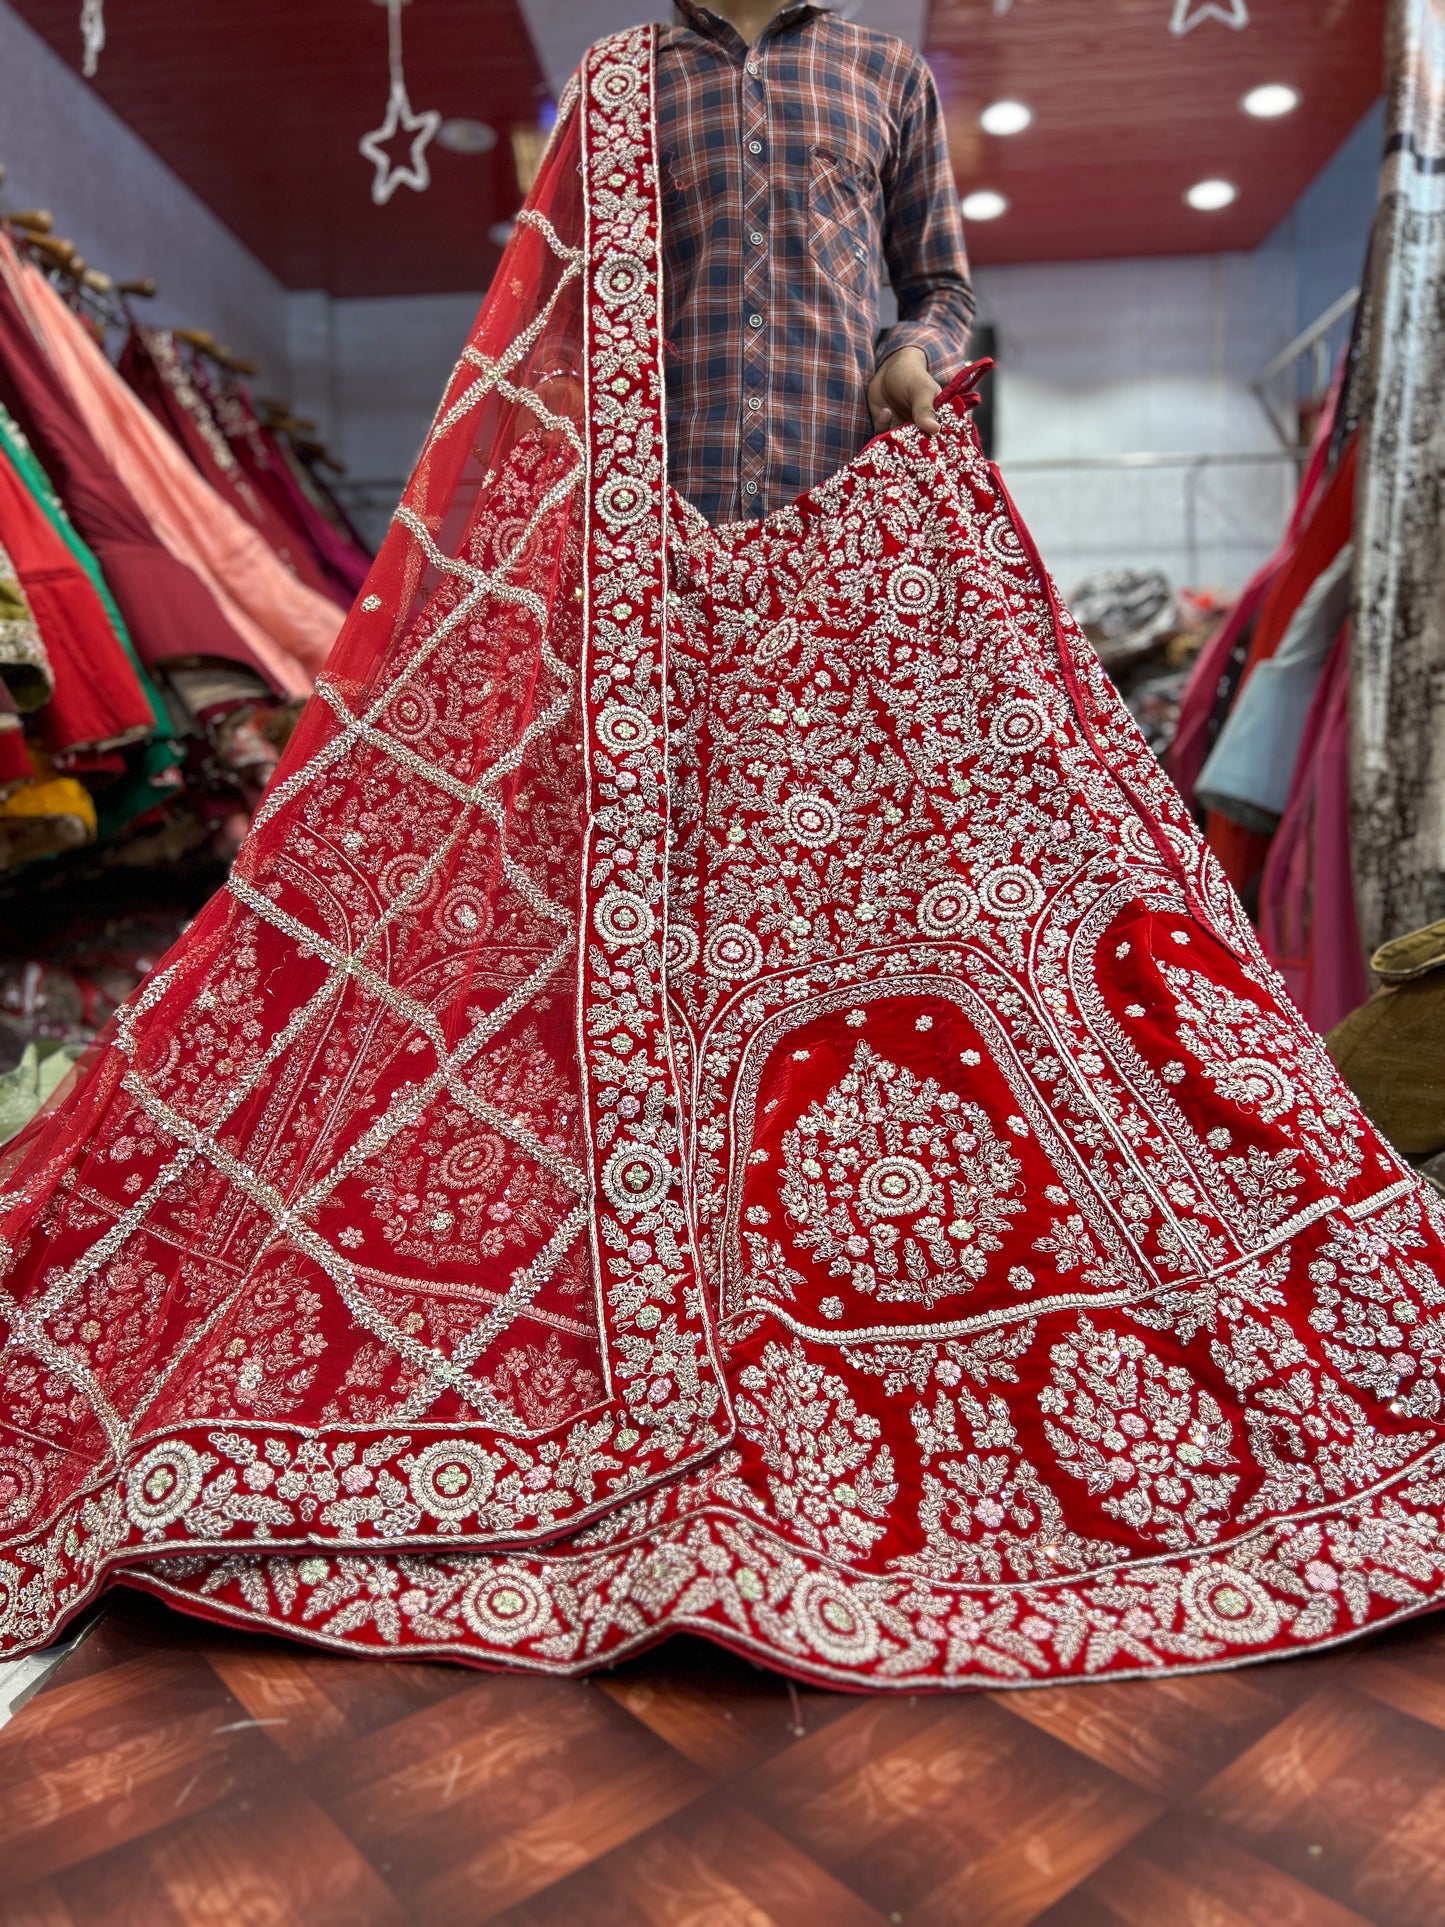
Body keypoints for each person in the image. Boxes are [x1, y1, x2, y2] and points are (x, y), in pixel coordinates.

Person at [3, 21, 1445, 1692]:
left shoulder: (886, 86)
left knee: (974, 916)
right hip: (646, 604)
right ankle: (657, 1311)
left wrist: (924, 356)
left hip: (863, 575)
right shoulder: (619, 87)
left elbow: (944, 287)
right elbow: (552, 322)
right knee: (643, 957)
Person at [655, 0, 974, 522]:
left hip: (837, 519)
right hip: (658, 523)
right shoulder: (621, 85)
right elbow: (562, 297)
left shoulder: (891, 72)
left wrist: (907, 356)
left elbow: (941, 287)